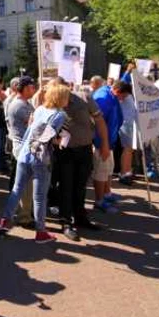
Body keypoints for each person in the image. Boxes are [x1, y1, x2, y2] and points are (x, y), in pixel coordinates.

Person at [0, 83, 71, 243]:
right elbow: (47, 137)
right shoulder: (59, 115)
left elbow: (31, 131)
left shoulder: (40, 109)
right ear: (61, 97)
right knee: (39, 197)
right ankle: (41, 232)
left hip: (24, 154)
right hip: (40, 158)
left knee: (17, 190)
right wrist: (63, 139)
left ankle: (4, 222)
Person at [51, 78, 110, 241]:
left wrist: (104, 144)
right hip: (64, 151)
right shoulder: (53, 101)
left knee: (81, 185)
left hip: (84, 149)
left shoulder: (84, 97)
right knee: (66, 186)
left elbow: (99, 120)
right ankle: (66, 222)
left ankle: (81, 218)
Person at [91, 80, 128, 214]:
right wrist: (103, 145)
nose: (123, 100)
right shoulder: (104, 98)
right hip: (101, 143)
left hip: (108, 142)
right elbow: (98, 124)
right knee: (101, 172)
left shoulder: (110, 93)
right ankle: (99, 201)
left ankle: (107, 194)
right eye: (123, 96)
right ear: (118, 92)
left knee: (108, 170)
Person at [6, 76, 37, 227]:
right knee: (25, 186)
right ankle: (24, 217)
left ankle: (24, 213)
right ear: (24, 89)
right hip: (23, 149)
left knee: (24, 185)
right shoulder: (19, 106)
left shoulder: (25, 103)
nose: (34, 90)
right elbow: (36, 125)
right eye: (31, 87)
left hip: (25, 148)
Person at [118, 86, 137, 185]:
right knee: (127, 149)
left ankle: (128, 172)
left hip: (130, 124)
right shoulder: (125, 95)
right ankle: (123, 173)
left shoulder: (130, 95)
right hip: (125, 125)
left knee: (130, 150)